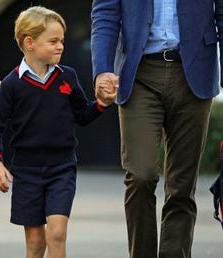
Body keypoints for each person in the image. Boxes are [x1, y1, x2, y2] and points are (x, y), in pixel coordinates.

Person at [91, 1, 223, 257]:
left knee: (182, 186)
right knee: (140, 175)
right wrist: (103, 69)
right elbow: (105, 14)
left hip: (194, 70)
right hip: (138, 72)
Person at [0, 6, 117, 258]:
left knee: (56, 233)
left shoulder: (68, 77)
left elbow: (82, 116)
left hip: (61, 168)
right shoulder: (11, 84)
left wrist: (102, 104)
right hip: (26, 171)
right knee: (35, 242)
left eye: (62, 41)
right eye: (53, 41)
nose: (60, 46)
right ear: (30, 42)